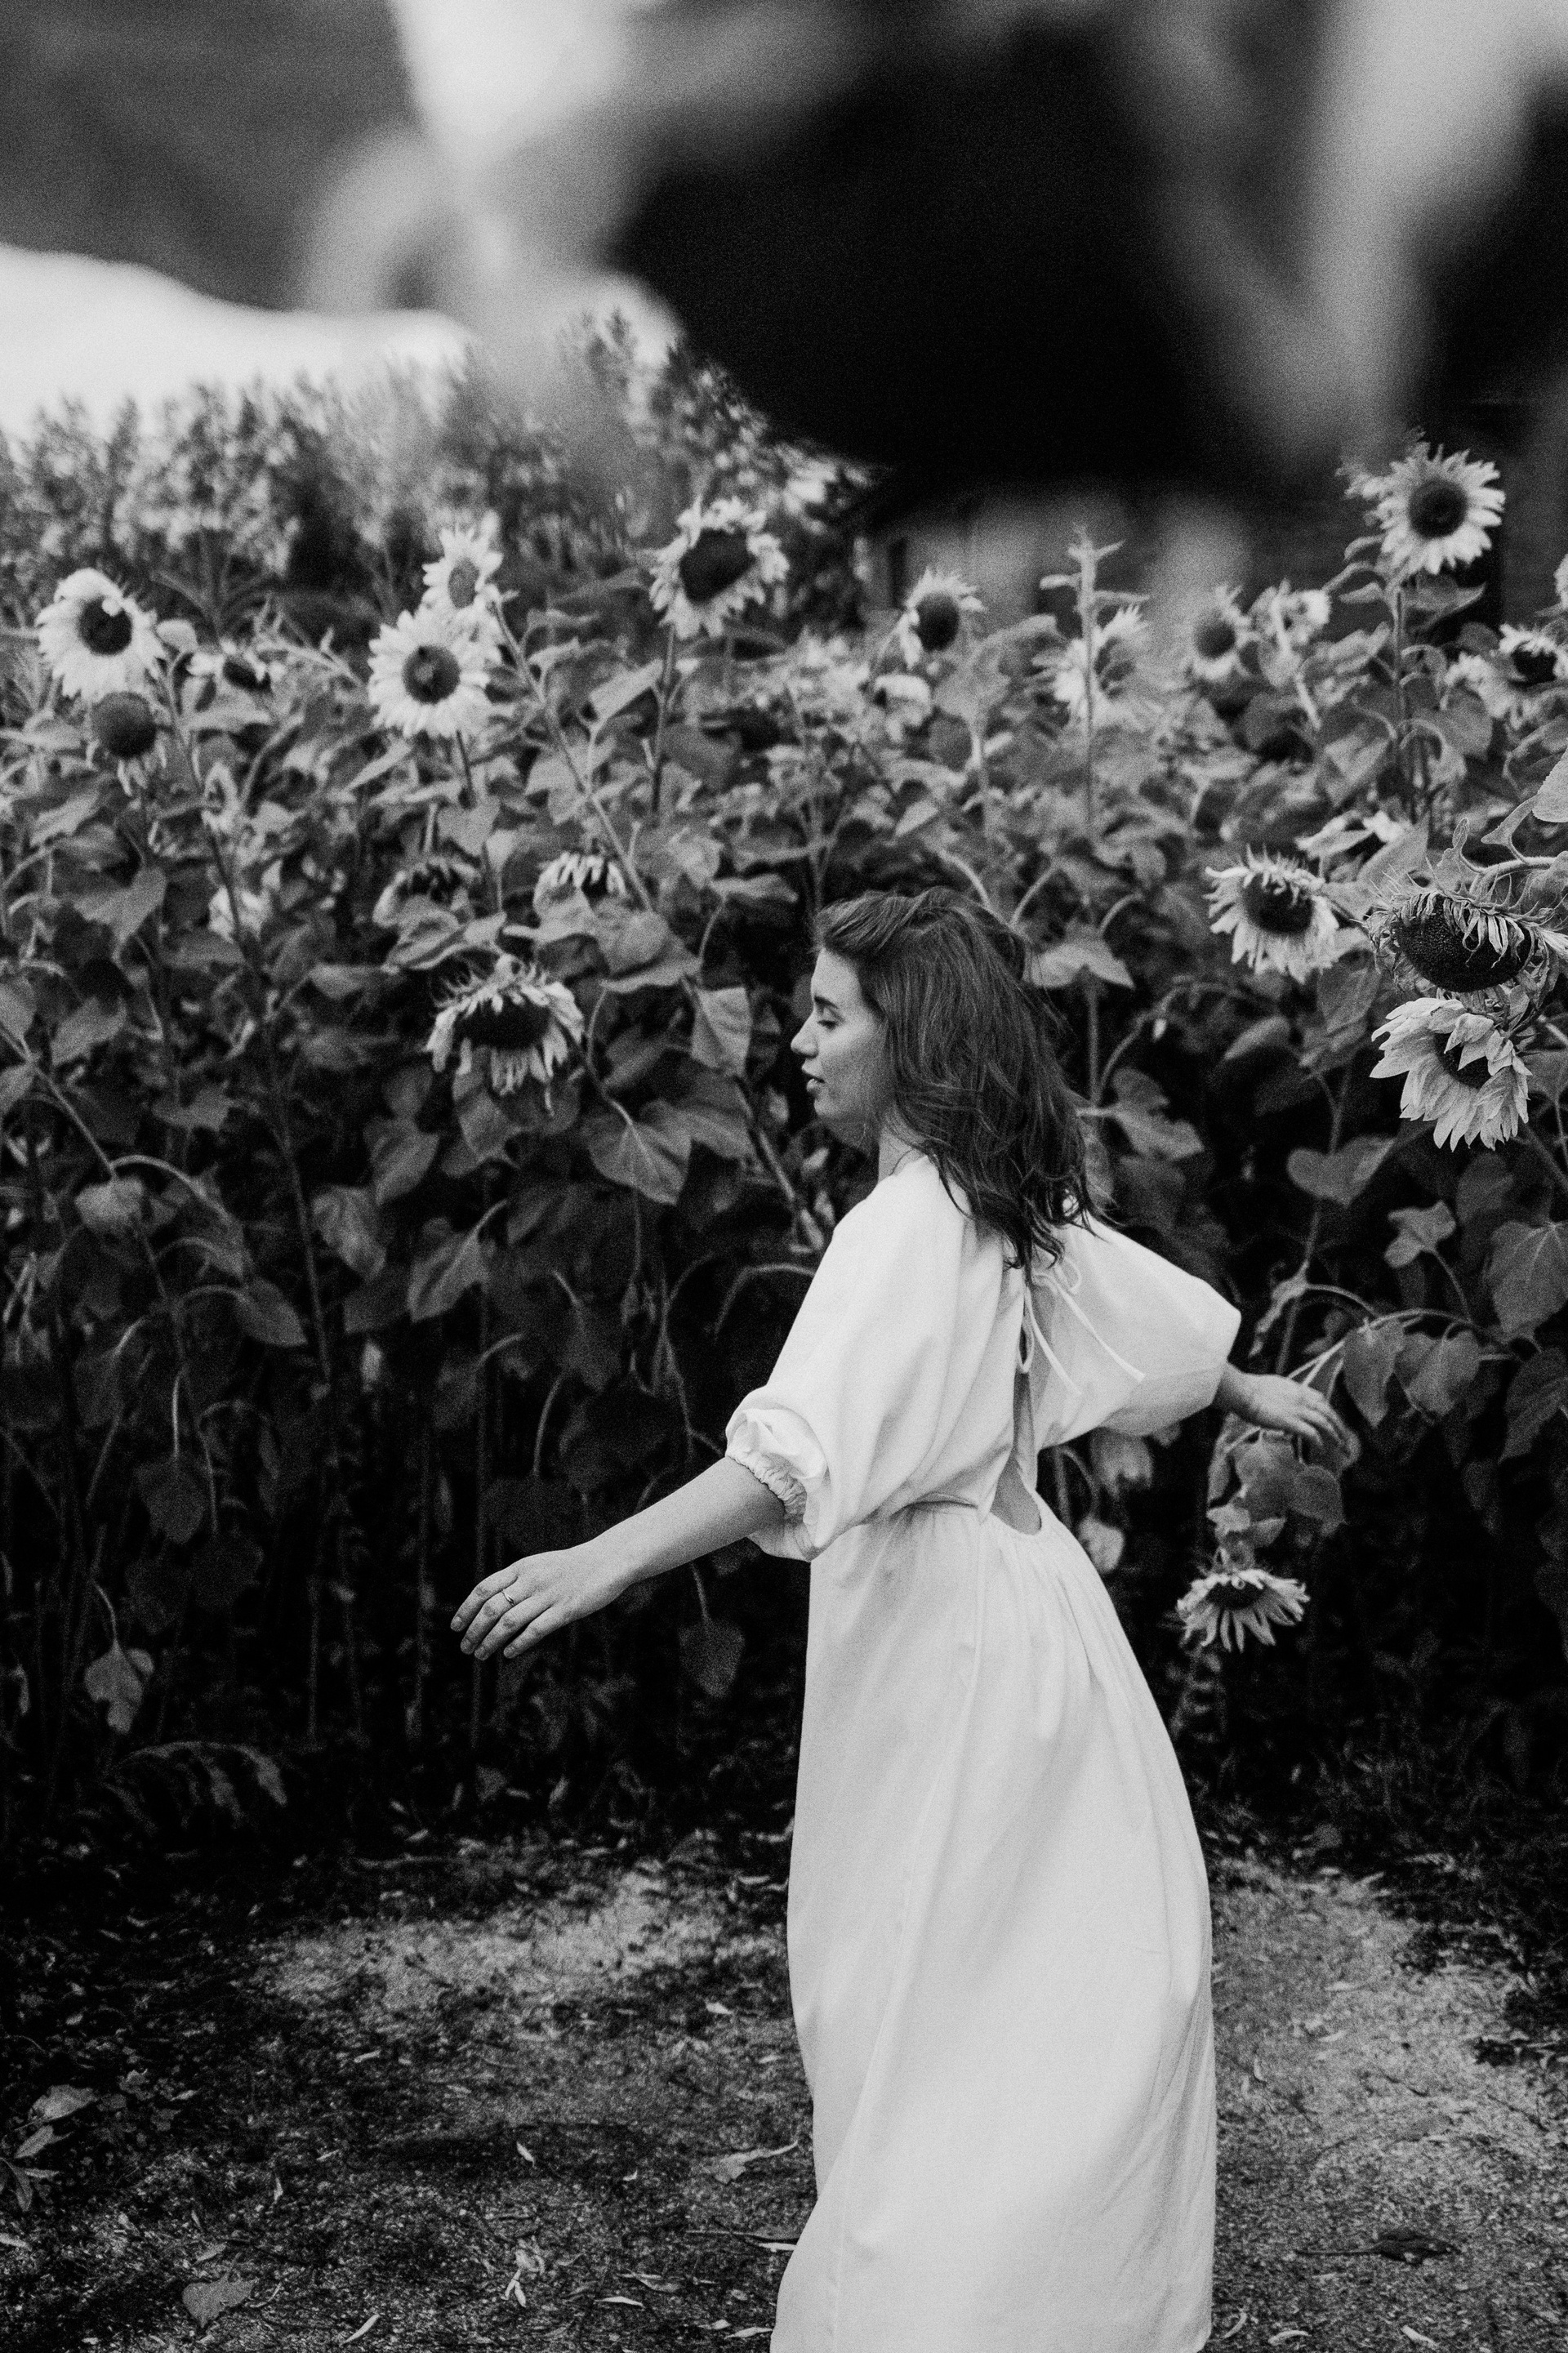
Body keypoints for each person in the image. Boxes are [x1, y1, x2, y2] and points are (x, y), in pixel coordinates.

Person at [452, 885, 1348, 2352]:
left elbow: (789, 1458)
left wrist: (602, 1558)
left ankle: (946, 2309)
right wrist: (1237, 1380)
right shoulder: (982, 1203)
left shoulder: (908, 1227)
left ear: (910, 1037)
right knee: (1039, 1983)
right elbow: (1104, 1293)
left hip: (957, 1649)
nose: (801, 1044)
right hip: (1029, 1629)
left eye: (828, 1016)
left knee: (938, 1989)